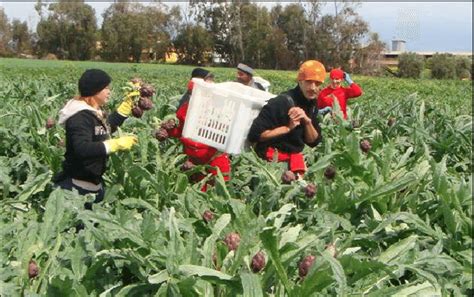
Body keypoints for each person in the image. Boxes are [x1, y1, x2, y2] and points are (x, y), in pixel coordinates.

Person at [54, 69, 138, 209]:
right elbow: (81, 148)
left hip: (93, 188)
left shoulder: (93, 113)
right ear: (95, 90)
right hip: (76, 192)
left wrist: (124, 110)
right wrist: (114, 144)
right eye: (106, 88)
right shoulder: (79, 117)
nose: (109, 91)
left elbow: (103, 130)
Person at [248, 60, 325, 176]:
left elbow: (314, 141)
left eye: (318, 83)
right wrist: (287, 128)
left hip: (293, 160)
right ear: (300, 81)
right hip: (271, 164)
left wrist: (307, 121)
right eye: (309, 82)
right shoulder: (282, 102)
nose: (313, 87)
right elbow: (255, 135)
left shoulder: (312, 103)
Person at [167, 68, 231, 191]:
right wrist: (168, 130)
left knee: (216, 194)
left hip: (214, 161)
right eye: (191, 94)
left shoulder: (220, 111)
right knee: (194, 192)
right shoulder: (185, 109)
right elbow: (180, 131)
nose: (194, 97)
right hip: (192, 162)